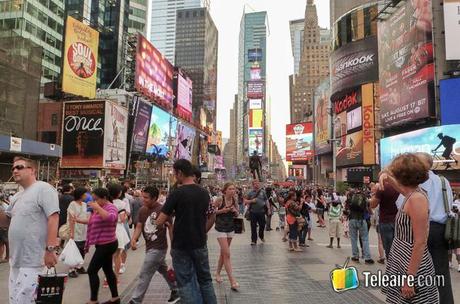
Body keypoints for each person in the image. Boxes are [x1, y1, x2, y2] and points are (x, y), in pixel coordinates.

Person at [391, 152, 454, 303]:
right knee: (441, 273)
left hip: (417, 231)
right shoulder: (443, 181)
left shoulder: (415, 190)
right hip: (440, 229)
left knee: (419, 271)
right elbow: (449, 204)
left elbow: (400, 204)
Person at [380, 153, 439, 303]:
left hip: (412, 265)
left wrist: (410, 279)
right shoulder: (411, 193)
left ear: (402, 175)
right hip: (403, 259)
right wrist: (386, 176)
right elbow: (397, 185)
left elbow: (420, 242)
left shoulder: (416, 199)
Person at [156, 159, 217, 304]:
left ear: (180, 173)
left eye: (175, 173)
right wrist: (202, 231)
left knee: (186, 282)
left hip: (181, 244)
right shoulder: (204, 193)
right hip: (200, 243)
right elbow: (211, 216)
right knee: (205, 280)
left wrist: (162, 223)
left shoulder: (177, 193)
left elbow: (160, 220)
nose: (175, 177)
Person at [0, 157, 59, 304]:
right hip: (16, 261)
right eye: (13, 168)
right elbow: (6, 221)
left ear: (32, 170)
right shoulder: (17, 196)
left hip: (34, 261)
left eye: (19, 167)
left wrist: (50, 250)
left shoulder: (43, 188)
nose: (15, 170)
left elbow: (54, 217)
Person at [129, 186, 180, 304]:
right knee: (163, 270)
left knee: (144, 273)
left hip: (159, 248)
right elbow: (139, 226)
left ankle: (136, 300)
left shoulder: (164, 210)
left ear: (155, 198)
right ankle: (176, 289)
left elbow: (171, 229)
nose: (143, 199)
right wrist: (134, 239)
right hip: (149, 246)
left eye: (146, 197)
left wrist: (173, 247)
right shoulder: (142, 210)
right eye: (143, 196)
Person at [85, 187, 120, 304]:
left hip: (108, 244)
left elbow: (111, 218)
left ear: (104, 198)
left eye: (96, 199)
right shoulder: (99, 208)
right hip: (101, 244)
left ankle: (93, 300)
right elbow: (92, 223)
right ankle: (115, 298)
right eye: (93, 200)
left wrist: (97, 208)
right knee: (108, 270)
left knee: (91, 270)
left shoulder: (110, 207)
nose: (94, 202)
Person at [213, 182, 240, 290]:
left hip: (230, 228)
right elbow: (211, 212)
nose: (232, 191)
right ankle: (232, 281)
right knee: (227, 254)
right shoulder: (219, 200)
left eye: (233, 189)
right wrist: (222, 210)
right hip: (220, 228)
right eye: (230, 189)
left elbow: (238, 213)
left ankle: (218, 273)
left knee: (223, 253)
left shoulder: (235, 200)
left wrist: (234, 211)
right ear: (225, 190)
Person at [370, 177, 399, 259]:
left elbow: (373, 204)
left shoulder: (382, 188)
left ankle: (391, 267)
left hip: (385, 221)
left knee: (388, 248)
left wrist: (374, 195)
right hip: (399, 220)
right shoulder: (400, 186)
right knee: (399, 246)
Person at [108, 183, 131, 280]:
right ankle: (115, 277)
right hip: (118, 228)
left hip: (107, 228)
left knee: (108, 255)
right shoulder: (121, 203)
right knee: (117, 254)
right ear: (119, 193)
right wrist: (126, 216)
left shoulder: (107, 203)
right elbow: (122, 219)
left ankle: (107, 276)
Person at [345, 189, 374, 264]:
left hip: (352, 219)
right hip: (361, 219)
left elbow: (346, 210)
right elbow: (369, 210)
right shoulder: (364, 197)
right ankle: (367, 258)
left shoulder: (350, 198)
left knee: (353, 239)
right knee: (365, 239)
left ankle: (355, 256)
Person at [67, 187, 90, 278]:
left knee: (82, 249)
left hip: (84, 229)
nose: (86, 196)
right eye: (84, 194)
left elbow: (88, 216)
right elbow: (71, 219)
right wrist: (72, 233)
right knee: (74, 250)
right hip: (75, 229)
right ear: (80, 195)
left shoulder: (84, 204)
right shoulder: (72, 204)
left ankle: (79, 266)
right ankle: (71, 269)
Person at [244, 180, 269, 245]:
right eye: (255, 184)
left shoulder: (263, 192)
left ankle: (261, 236)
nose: (256, 185)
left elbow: (266, 200)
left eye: (257, 184)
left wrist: (268, 209)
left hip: (262, 212)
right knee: (253, 226)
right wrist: (251, 201)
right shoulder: (250, 193)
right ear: (253, 185)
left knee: (262, 225)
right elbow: (245, 201)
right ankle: (253, 240)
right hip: (253, 212)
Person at [0, 193, 9, 263]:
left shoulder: (5, 206)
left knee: (5, 242)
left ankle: (6, 257)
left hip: (4, 226)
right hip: (4, 226)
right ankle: (2, 257)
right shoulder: (6, 205)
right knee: (3, 242)